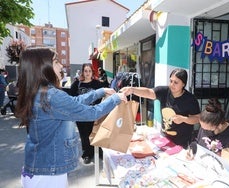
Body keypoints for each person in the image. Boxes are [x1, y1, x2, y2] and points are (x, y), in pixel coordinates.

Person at [15, 47, 127, 188]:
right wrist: (116, 99)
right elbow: (91, 113)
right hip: (47, 173)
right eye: (56, 62)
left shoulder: (41, 92)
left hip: (42, 168)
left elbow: (74, 103)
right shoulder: (51, 96)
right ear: (42, 67)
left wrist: (100, 91)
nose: (61, 65)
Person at [120, 68, 200, 148]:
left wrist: (183, 119)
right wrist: (132, 90)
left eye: (176, 82)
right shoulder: (164, 91)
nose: (172, 84)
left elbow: (197, 118)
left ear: (183, 84)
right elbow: (149, 92)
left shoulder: (190, 99)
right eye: (171, 81)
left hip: (182, 142)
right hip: (165, 138)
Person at [69, 63, 105, 164]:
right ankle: (87, 154)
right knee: (84, 135)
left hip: (94, 114)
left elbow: (103, 96)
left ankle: (98, 151)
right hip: (81, 115)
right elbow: (71, 98)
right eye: (86, 71)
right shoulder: (77, 84)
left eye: (89, 71)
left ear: (92, 72)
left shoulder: (97, 84)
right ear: (83, 72)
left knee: (96, 133)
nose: (87, 73)